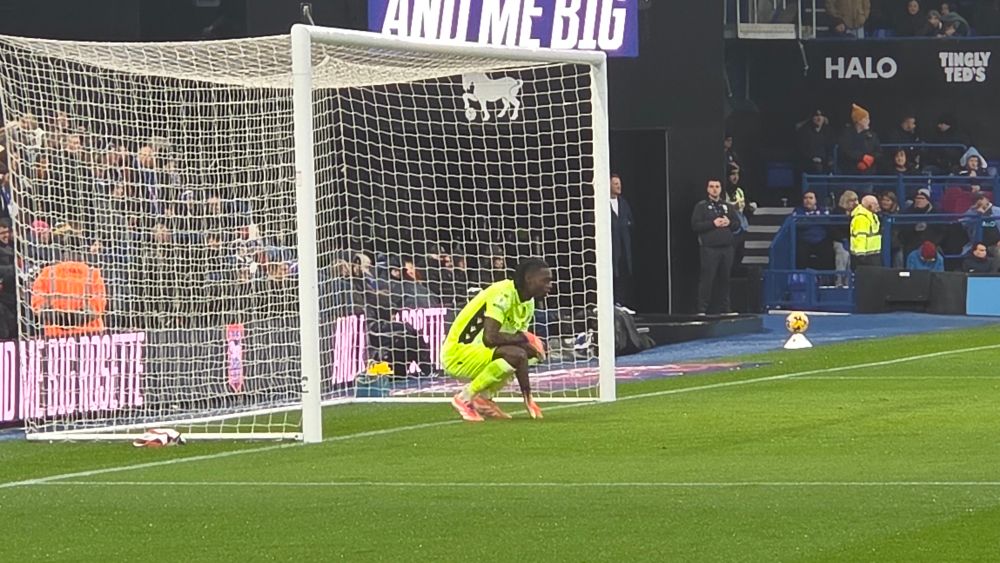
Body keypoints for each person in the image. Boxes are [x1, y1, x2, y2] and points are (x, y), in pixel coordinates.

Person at [441, 258, 550, 422]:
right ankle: (464, 398)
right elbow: (490, 338)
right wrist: (524, 338)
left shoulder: (528, 303)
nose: (550, 285)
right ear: (529, 280)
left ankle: (483, 397)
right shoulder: (502, 293)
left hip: (482, 352)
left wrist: (528, 398)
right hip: (458, 354)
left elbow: (519, 349)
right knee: (519, 352)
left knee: (533, 352)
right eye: (545, 280)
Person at [691, 179, 740, 315]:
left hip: (727, 248)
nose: (714, 189)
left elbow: (737, 224)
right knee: (708, 278)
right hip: (709, 248)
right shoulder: (701, 207)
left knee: (725, 278)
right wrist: (713, 223)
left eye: (717, 187)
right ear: (707, 189)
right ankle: (702, 308)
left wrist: (729, 222)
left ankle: (725, 308)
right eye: (711, 187)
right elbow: (696, 226)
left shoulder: (727, 206)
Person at [609, 173, 634, 308]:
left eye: (619, 183)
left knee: (624, 272)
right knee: (613, 273)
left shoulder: (623, 203)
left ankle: (621, 302)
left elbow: (630, 220)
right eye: (615, 183)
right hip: (612, 246)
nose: (619, 186)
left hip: (624, 245)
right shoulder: (603, 204)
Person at [793, 191, 834, 270]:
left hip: (821, 240)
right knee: (800, 253)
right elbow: (801, 225)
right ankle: (801, 278)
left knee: (828, 253)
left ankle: (825, 279)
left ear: (815, 200)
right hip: (804, 240)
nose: (808, 200)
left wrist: (808, 219)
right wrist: (816, 219)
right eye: (805, 198)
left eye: (811, 198)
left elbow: (826, 222)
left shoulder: (823, 210)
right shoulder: (798, 210)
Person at [838, 104, 881, 175]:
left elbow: (878, 152)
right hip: (849, 174)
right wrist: (862, 157)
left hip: (868, 174)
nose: (868, 121)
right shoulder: (847, 134)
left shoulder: (873, 135)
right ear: (858, 120)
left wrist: (867, 162)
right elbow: (846, 151)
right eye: (866, 119)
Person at [850, 194, 882, 269]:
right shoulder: (861, 218)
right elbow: (860, 237)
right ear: (869, 206)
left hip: (873, 255)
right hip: (865, 257)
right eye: (875, 204)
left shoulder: (872, 215)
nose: (878, 206)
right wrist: (861, 255)